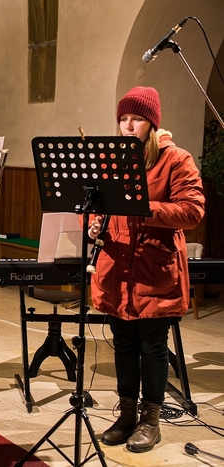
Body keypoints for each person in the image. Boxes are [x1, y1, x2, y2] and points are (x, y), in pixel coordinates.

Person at [91, 86, 205, 453]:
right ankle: (126, 415)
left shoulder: (176, 159)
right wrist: (92, 224)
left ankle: (151, 420)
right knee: (123, 344)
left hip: (155, 268)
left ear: (151, 123)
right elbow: (95, 205)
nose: (127, 125)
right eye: (123, 119)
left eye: (136, 119)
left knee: (153, 346)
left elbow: (192, 211)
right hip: (117, 267)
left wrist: (144, 206)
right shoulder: (112, 160)